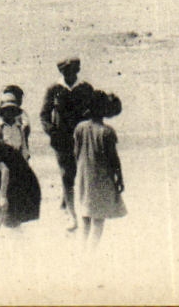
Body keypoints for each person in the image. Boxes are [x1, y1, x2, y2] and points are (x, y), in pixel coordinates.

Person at [39, 56, 95, 230]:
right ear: (61, 72)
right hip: (61, 140)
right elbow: (44, 115)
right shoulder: (54, 89)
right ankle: (71, 215)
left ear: (77, 71)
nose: (69, 75)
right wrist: (52, 132)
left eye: (72, 71)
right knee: (66, 175)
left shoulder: (85, 88)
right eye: (65, 72)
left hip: (83, 139)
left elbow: (95, 111)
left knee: (83, 173)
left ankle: (77, 205)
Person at [72, 91, 125, 243]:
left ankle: (82, 251)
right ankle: (92, 253)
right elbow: (113, 159)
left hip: (84, 176)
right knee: (98, 220)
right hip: (101, 178)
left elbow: (76, 153)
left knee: (85, 219)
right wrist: (119, 178)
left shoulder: (80, 128)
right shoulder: (107, 132)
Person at [0, 87, 32, 158]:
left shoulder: (20, 123)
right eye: (7, 110)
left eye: (12, 110)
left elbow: (26, 126)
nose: (9, 113)